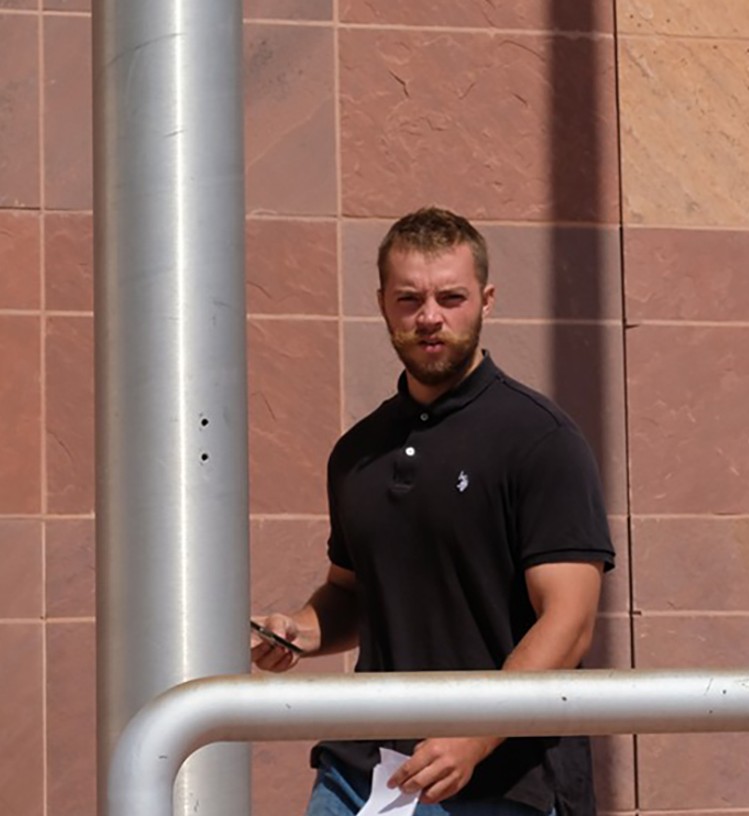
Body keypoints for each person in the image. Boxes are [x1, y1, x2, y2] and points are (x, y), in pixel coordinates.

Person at [252, 206, 614, 816]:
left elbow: (570, 624)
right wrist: (299, 631)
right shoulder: (357, 452)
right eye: (409, 299)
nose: (430, 318)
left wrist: (474, 735)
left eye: (451, 297)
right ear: (382, 304)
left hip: (503, 781)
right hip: (359, 775)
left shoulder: (541, 439)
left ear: (487, 300)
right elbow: (354, 594)